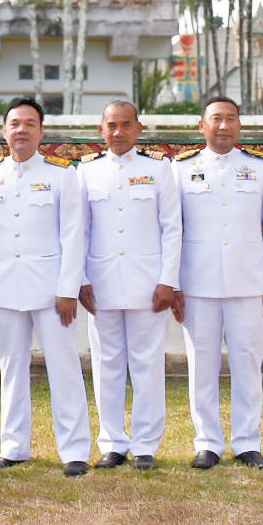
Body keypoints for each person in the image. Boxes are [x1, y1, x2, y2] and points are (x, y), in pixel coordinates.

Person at [171, 96, 263, 470]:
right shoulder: (182, 169)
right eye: (216, 119)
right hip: (198, 283)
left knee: (247, 364)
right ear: (201, 126)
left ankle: (248, 441)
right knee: (201, 366)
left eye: (231, 119)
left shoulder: (259, 167)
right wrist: (173, 283)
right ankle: (207, 442)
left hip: (247, 282)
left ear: (240, 125)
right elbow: (172, 230)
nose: (224, 126)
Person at [0, 97, 91, 477]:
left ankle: (74, 450)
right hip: (5, 287)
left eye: (29, 123)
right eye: (15, 123)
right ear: (4, 131)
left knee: (63, 367)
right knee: (12, 367)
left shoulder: (62, 175)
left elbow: (74, 236)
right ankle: (14, 447)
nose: (21, 130)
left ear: (41, 131)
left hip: (51, 290)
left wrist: (68, 289)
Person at [78, 101, 181, 472]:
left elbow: (172, 227)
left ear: (138, 128)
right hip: (101, 284)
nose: (118, 132)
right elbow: (81, 231)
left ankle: (145, 444)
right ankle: (112, 442)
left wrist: (168, 279)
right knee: (106, 364)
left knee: (147, 364)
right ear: (101, 130)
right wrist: (82, 279)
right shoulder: (87, 172)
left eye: (125, 125)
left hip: (147, 284)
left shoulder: (158, 168)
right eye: (111, 125)